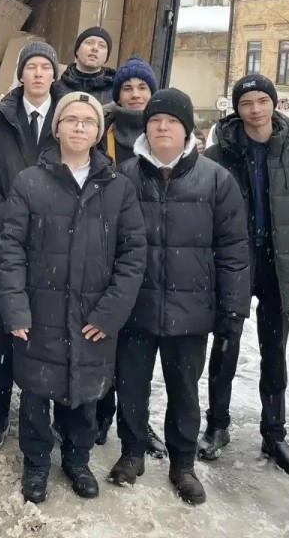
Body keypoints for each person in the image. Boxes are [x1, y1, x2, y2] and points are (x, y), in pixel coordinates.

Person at [0, 91, 146, 503]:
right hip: (40, 309)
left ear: (98, 132)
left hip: (92, 312)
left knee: (85, 392)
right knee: (36, 391)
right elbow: (11, 250)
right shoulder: (30, 182)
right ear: (57, 128)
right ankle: (36, 462)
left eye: (88, 121)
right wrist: (16, 309)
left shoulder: (117, 188)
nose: (79, 127)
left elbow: (133, 255)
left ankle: (77, 459)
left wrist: (110, 312)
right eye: (71, 120)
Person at [107, 88, 249, 505]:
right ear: (145, 128)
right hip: (135, 307)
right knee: (130, 386)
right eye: (155, 121)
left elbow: (233, 250)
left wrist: (232, 310)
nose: (163, 127)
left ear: (186, 129)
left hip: (191, 310)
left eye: (171, 121)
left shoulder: (215, 180)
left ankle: (183, 464)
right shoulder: (124, 177)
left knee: (184, 391)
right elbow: (107, 246)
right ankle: (132, 453)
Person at [200, 74, 289, 476]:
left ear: (274, 103)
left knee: (275, 352)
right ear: (236, 109)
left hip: (278, 267)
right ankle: (217, 425)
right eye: (246, 103)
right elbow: (204, 218)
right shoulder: (218, 155)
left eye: (261, 101)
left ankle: (274, 434)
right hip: (234, 265)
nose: (255, 109)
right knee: (225, 348)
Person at [0, 41, 65, 451]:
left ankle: (41, 416)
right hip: (6, 246)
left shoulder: (68, 116)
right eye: (32, 67)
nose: (38, 74)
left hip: (57, 248)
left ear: (54, 75)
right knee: (4, 333)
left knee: (50, 334)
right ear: (21, 74)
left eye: (46, 67)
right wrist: (13, 227)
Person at [91, 55, 166, 455]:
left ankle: (136, 421)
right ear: (117, 94)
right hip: (105, 252)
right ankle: (100, 413)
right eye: (128, 88)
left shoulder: (165, 135)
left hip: (151, 255)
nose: (135, 95)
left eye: (142, 87)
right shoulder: (100, 133)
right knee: (105, 340)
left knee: (139, 351)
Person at [57, 27, 116, 105]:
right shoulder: (56, 88)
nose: (95, 48)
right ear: (77, 50)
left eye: (102, 46)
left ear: (106, 57)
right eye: (89, 43)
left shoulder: (115, 92)